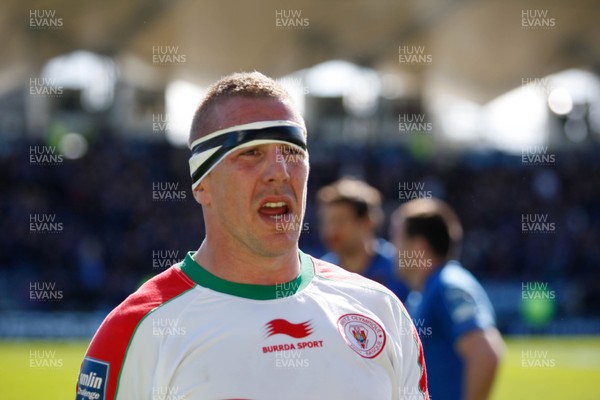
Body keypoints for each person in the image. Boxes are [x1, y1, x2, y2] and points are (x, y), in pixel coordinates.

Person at [75, 72, 429, 400]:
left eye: (292, 152)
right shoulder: (137, 332)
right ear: (202, 183)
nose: (279, 172)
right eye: (251, 153)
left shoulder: (380, 311)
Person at [390, 198, 504, 400]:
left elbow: (485, 353)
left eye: (397, 240)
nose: (394, 251)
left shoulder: (449, 285)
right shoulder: (425, 291)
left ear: (418, 247)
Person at [317, 177, 410, 302]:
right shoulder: (320, 274)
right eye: (326, 222)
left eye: (340, 221)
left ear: (367, 222)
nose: (330, 231)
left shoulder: (399, 268)